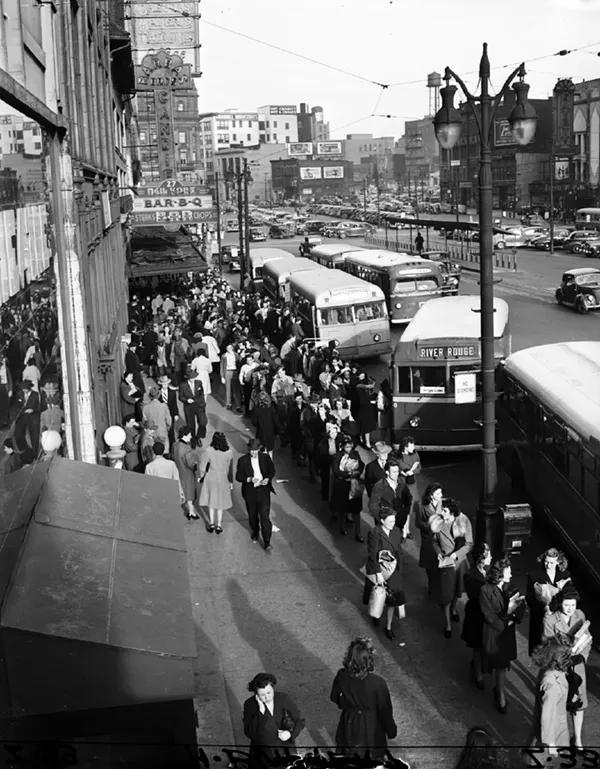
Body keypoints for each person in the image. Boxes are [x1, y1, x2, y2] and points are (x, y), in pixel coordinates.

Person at [330, 637, 398, 759]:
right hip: (372, 726)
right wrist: (391, 730)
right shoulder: (377, 683)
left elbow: (334, 697)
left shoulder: (342, 676)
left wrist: (346, 704)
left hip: (349, 722)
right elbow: (385, 711)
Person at [542, 584, 592, 750]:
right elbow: (548, 646)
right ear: (559, 603)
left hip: (577, 666)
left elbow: (588, 638)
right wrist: (565, 656)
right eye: (566, 605)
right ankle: (554, 739)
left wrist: (582, 656)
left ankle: (577, 739)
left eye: (573, 605)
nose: (571, 609)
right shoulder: (550, 620)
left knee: (579, 702)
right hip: (559, 667)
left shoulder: (580, 615)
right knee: (559, 702)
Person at [480, 556, 526, 714]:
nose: (511, 575)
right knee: (499, 663)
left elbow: (521, 605)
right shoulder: (485, 590)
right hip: (496, 632)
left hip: (507, 632)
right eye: (508, 572)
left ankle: (499, 692)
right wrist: (506, 619)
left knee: (503, 663)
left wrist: (514, 616)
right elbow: (489, 615)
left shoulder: (511, 586)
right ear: (499, 574)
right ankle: (499, 693)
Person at [430, 498, 474, 638]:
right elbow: (434, 541)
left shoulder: (463, 521)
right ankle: (447, 624)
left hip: (459, 562)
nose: (441, 512)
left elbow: (469, 544)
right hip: (445, 564)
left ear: (452, 513)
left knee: (457, 590)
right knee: (446, 594)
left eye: (445, 510)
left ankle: (454, 609)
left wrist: (456, 555)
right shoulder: (438, 522)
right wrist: (438, 553)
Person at [363, 505, 406, 642]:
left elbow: (398, 550)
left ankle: (388, 626)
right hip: (380, 569)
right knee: (378, 595)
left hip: (393, 570)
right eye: (390, 521)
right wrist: (377, 573)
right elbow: (372, 554)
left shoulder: (396, 531)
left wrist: (400, 567)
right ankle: (375, 615)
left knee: (392, 600)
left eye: (394, 520)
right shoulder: (374, 533)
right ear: (382, 520)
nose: (393, 524)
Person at [242, 672, 305, 764]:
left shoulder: (283, 698)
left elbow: (300, 720)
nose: (267, 697)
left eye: (269, 692)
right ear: (256, 694)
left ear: (273, 689)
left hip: (285, 749)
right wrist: (261, 713)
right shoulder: (250, 705)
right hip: (263, 752)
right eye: (262, 695)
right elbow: (249, 732)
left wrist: (290, 734)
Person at [530, 640, 573, 754]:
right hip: (552, 731)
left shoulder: (551, 672)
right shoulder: (551, 684)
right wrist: (550, 743)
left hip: (557, 725)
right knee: (541, 757)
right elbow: (547, 714)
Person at [526, 548, 571, 656]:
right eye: (546, 561)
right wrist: (544, 606)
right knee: (539, 649)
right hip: (540, 616)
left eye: (551, 562)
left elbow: (569, 594)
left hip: (557, 617)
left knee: (556, 648)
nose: (548, 565)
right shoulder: (534, 575)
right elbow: (529, 598)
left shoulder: (564, 575)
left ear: (558, 562)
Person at [461, 542, 492, 689]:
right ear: (481, 558)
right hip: (477, 614)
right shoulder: (470, 575)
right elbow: (474, 596)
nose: (491, 557)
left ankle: (479, 665)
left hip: (487, 614)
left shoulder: (490, 571)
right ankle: (478, 673)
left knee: (482, 644)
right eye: (488, 555)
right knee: (477, 645)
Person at [235, 438, 276, 551]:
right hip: (250, 492)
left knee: (264, 516)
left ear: (259, 449)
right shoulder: (242, 460)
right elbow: (238, 476)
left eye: (255, 450)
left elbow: (272, 471)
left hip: (263, 490)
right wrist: (249, 479)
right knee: (252, 515)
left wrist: (267, 479)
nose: (253, 452)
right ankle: (255, 530)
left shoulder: (265, 458)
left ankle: (267, 541)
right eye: (251, 450)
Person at [330, 435, 365, 541]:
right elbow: (336, 471)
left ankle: (358, 533)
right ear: (342, 447)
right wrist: (348, 473)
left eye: (350, 447)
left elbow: (361, 464)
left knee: (356, 510)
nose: (349, 449)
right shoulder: (337, 456)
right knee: (342, 507)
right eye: (347, 447)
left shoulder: (355, 454)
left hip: (354, 484)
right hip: (342, 484)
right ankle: (342, 526)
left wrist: (357, 472)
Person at [198, 431, 234, 534]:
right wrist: (230, 481)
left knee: (211, 501)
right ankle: (219, 525)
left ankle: (211, 523)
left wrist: (201, 476)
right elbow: (229, 469)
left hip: (211, 476)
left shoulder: (208, 451)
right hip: (222, 477)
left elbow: (202, 467)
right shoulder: (229, 453)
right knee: (220, 503)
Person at [368, 460, 412, 536]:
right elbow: (373, 505)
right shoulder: (379, 486)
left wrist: (404, 514)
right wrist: (382, 519)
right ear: (387, 472)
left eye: (397, 471)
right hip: (385, 523)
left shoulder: (401, 483)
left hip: (399, 522)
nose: (397, 474)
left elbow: (408, 499)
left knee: (397, 545)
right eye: (394, 472)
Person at [416, 482, 443, 595]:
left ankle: (438, 585)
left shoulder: (444, 504)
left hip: (441, 538)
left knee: (440, 563)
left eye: (441, 492)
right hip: (428, 538)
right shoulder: (421, 505)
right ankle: (431, 585)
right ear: (431, 495)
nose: (441, 495)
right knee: (429, 563)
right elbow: (418, 522)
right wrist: (429, 525)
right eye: (438, 493)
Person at [172, 425, 200, 520]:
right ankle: (191, 512)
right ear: (185, 435)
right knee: (189, 493)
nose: (191, 436)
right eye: (190, 435)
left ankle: (191, 511)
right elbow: (190, 463)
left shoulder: (175, 445)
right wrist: (195, 465)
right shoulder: (187, 449)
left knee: (183, 491)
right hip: (187, 473)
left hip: (178, 470)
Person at [396, 436, 421, 540]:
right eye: (411, 445)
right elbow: (393, 466)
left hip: (411, 484)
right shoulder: (397, 456)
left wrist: (413, 471)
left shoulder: (415, 455)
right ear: (405, 447)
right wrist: (401, 472)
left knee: (409, 508)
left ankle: (407, 530)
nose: (414, 447)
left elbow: (419, 467)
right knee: (402, 508)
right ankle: (403, 530)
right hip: (401, 484)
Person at [179, 367, 207, 447]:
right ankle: (193, 440)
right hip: (189, 407)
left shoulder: (199, 382)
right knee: (191, 425)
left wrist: (203, 404)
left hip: (199, 405)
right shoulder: (182, 385)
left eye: (194, 377)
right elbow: (180, 397)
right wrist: (187, 400)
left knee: (203, 422)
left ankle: (199, 436)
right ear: (188, 378)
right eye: (192, 378)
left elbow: (201, 393)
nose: (193, 379)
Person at [251, 391, 282, 459]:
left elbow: (254, 422)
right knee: (270, 451)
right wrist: (279, 430)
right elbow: (275, 420)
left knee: (262, 452)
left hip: (260, 433)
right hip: (270, 433)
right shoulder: (271, 408)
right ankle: (270, 465)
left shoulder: (256, 409)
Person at [142, 386, 173, 454]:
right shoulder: (163, 406)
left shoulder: (145, 408)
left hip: (152, 434)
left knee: (154, 453)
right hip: (162, 431)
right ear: (159, 396)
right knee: (165, 452)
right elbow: (168, 420)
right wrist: (168, 427)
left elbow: (144, 422)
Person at [220, 343, 239, 411]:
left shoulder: (236, 355)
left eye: (230, 348)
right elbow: (222, 366)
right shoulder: (224, 356)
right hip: (227, 371)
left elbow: (238, 363)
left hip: (235, 371)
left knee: (236, 388)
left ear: (232, 348)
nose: (229, 349)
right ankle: (228, 403)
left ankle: (238, 404)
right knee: (227, 388)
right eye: (228, 348)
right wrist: (222, 376)